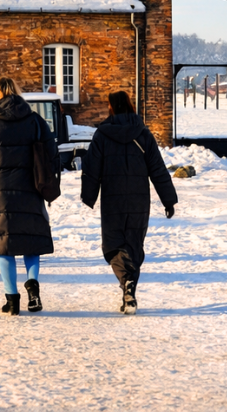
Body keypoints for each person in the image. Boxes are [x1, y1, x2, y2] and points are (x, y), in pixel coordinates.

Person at [0, 77, 58, 315]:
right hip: (30, 189)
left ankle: (12, 300)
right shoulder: (35, 121)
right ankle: (33, 283)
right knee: (30, 241)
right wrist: (50, 183)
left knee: (3, 246)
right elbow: (52, 154)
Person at [80, 91, 178, 315]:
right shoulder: (143, 134)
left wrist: (89, 195)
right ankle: (130, 285)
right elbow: (158, 170)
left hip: (112, 198)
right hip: (138, 199)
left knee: (114, 243)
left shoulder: (102, 135)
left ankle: (126, 283)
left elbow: (91, 168)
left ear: (111, 107)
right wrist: (168, 200)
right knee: (133, 242)